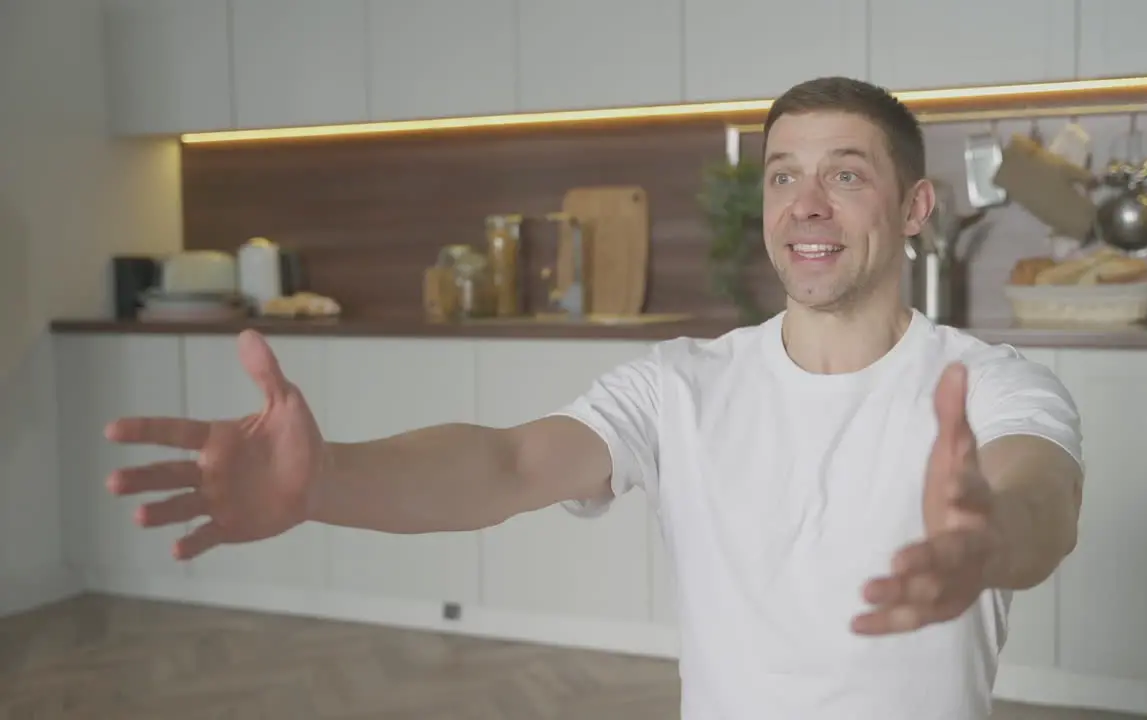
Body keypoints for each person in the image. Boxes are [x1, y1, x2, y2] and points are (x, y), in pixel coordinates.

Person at [102, 76, 1084, 719]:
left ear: (913, 208)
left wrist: (989, 538)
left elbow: (1039, 496)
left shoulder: (988, 386)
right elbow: (508, 462)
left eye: (845, 174)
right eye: (784, 175)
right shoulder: (679, 384)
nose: (805, 204)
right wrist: (325, 480)